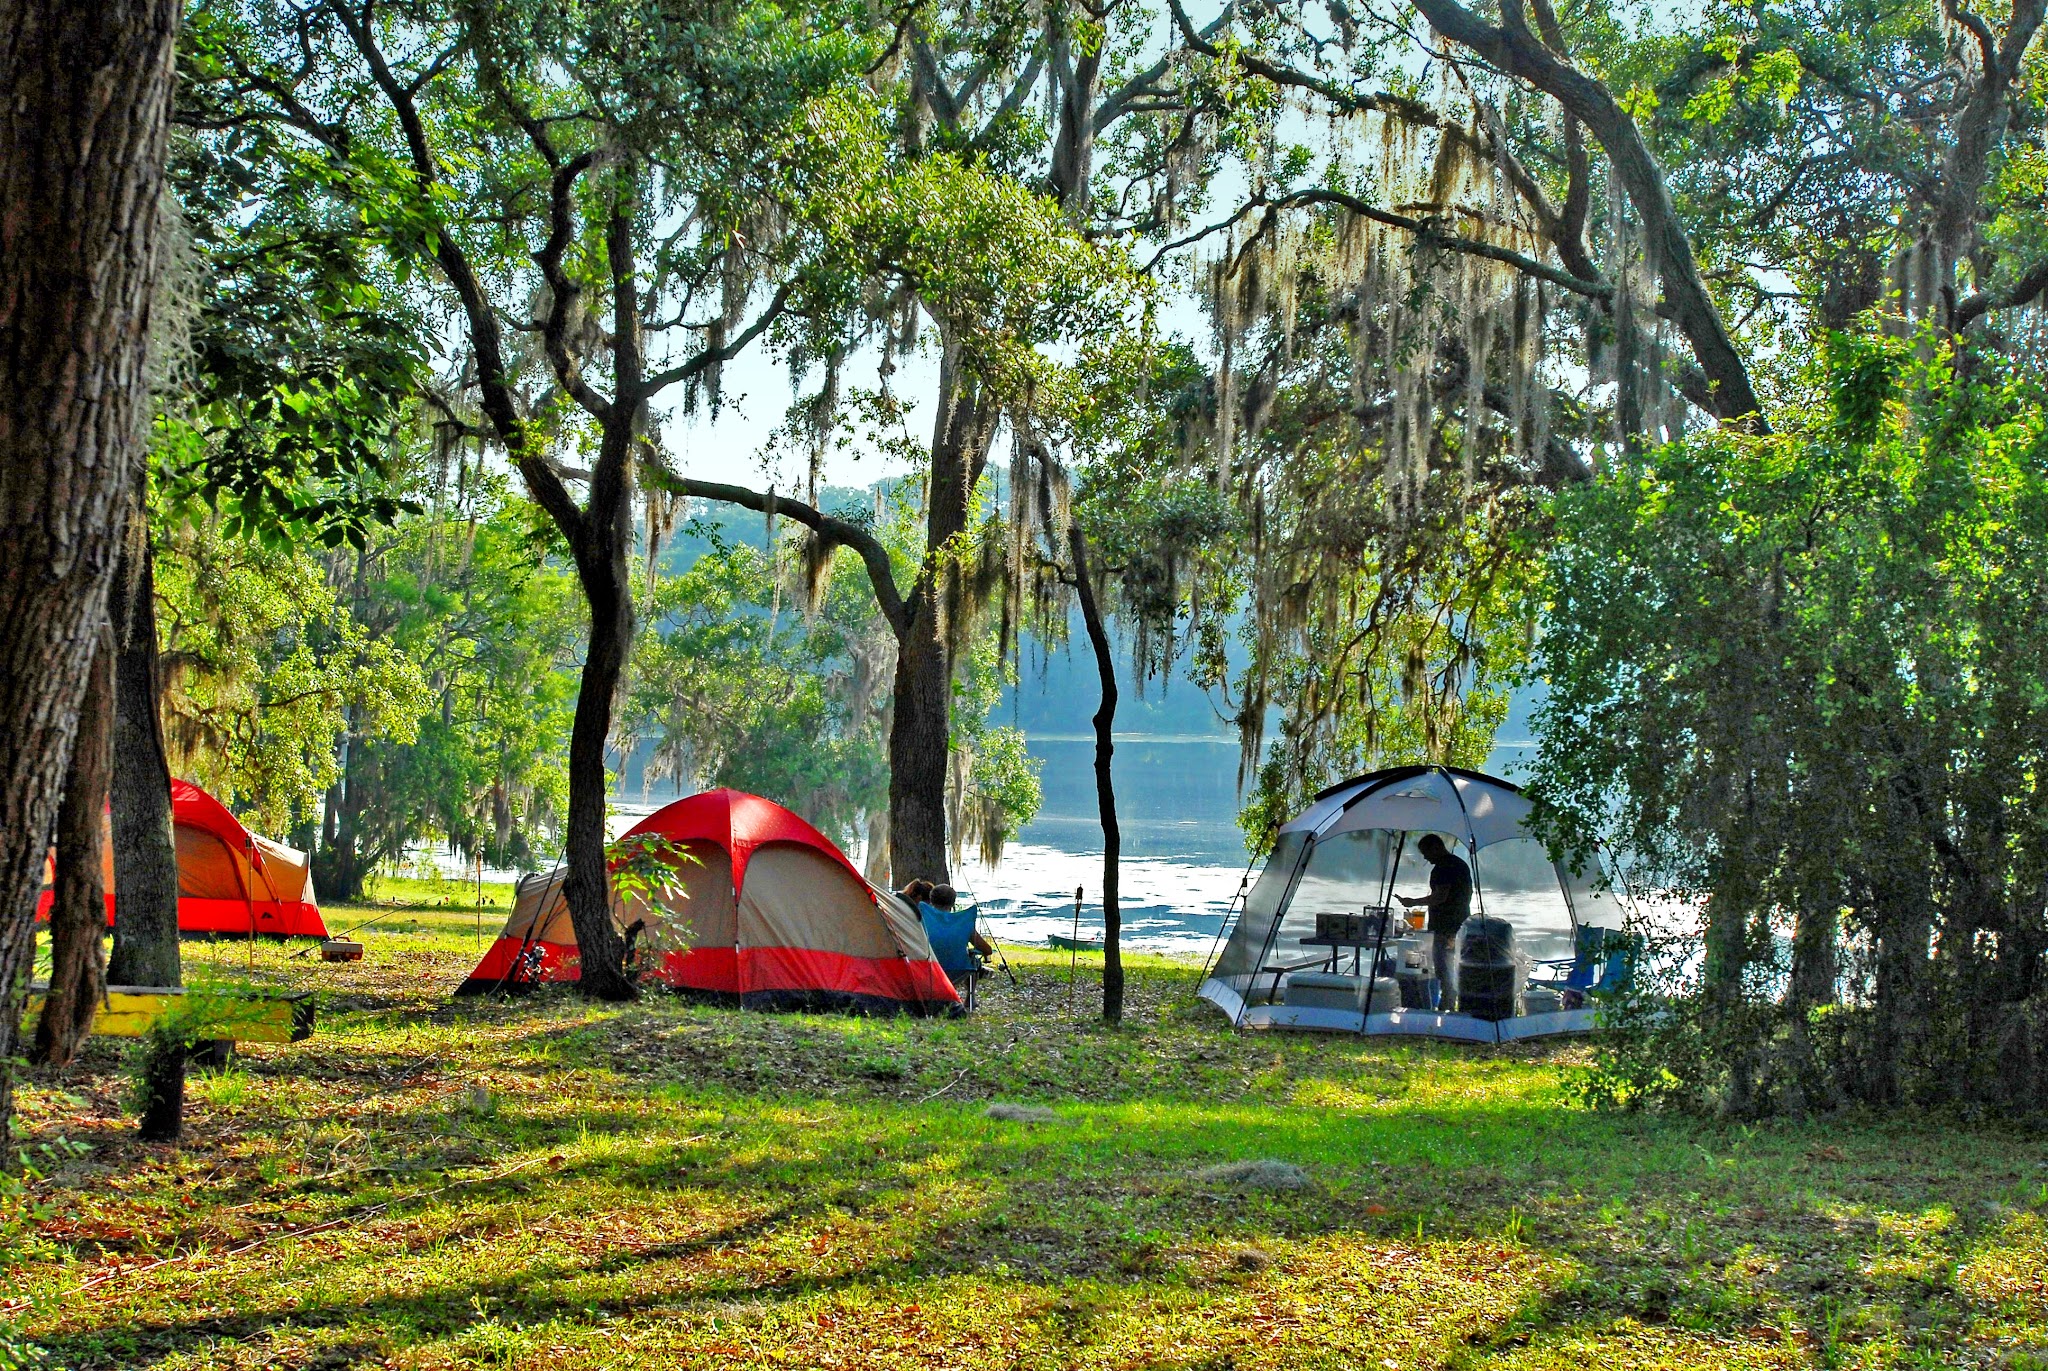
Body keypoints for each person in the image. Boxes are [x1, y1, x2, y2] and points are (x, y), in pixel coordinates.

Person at [1398, 834, 1472, 1012]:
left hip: (1446, 927)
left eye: (1426, 852)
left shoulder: (1443, 868)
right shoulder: (1460, 864)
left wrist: (1413, 902)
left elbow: (1440, 896)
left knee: (1444, 970)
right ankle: (1454, 1005)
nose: (1425, 857)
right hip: (1461, 924)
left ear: (1436, 847)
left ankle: (1447, 1007)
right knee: (1454, 968)